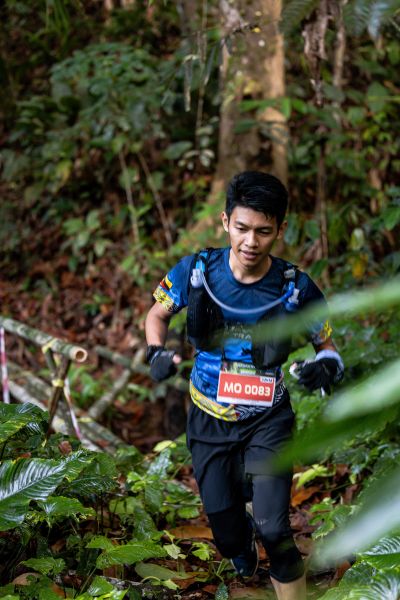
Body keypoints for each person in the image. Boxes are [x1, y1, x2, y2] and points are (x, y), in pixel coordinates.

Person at [144, 171, 344, 600]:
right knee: (227, 532)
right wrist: (155, 352)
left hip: (267, 418)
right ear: (225, 222)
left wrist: (326, 367)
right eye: (242, 228)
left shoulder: (295, 288)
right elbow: (156, 315)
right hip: (208, 416)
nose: (251, 242)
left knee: (274, 529)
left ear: (280, 230)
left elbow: (326, 345)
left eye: (263, 232)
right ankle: (241, 547)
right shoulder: (197, 271)